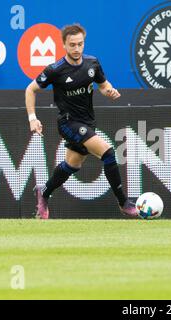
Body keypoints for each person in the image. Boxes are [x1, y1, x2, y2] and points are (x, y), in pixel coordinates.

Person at [25, 24, 138, 219]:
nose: (77, 49)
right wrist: (32, 118)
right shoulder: (55, 69)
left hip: (87, 122)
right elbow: (30, 90)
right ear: (64, 45)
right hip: (68, 123)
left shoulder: (92, 63)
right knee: (108, 153)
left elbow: (103, 85)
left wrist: (110, 92)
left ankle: (44, 192)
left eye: (80, 44)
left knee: (72, 165)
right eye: (72, 45)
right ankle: (123, 202)